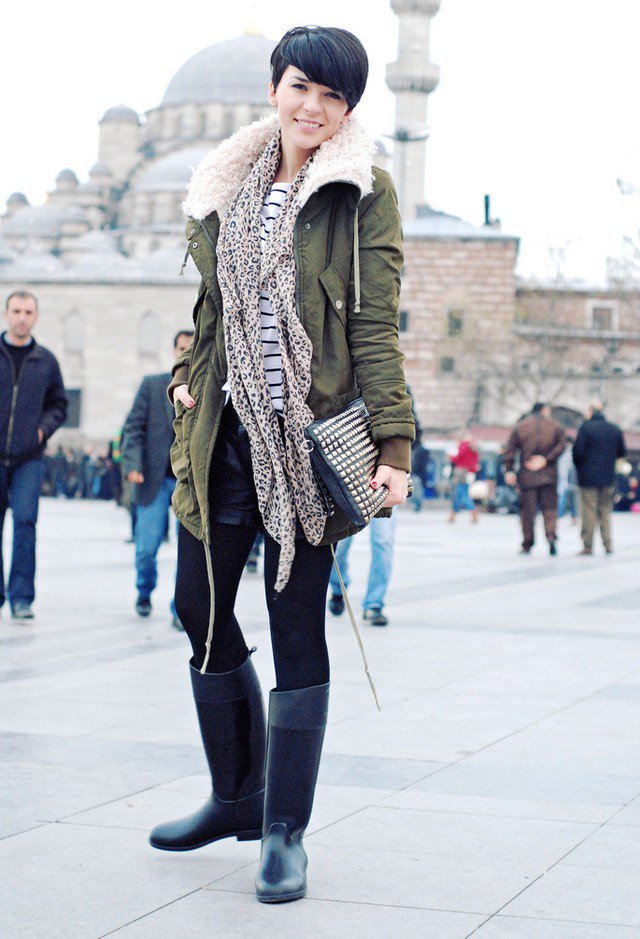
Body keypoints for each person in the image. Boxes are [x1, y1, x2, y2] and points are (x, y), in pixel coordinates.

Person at [148, 26, 414, 905]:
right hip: (222, 437)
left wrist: (396, 445)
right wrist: (186, 377)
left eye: (334, 95)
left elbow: (374, 325)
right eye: (302, 86)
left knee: (296, 628)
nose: (314, 106)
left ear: (349, 109)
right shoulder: (227, 182)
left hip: (305, 444)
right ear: (275, 87)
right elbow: (211, 310)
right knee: (198, 608)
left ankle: (283, 829)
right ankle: (237, 794)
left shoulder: (361, 190)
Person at [0, 290, 67, 620]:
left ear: (36, 317)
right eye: (16, 311)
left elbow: (59, 405)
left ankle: (22, 597)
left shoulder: (46, 361)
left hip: (29, 457)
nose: (22, 318)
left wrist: (41, 431)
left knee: (25, 523)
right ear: (6, 314)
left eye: (28, 312)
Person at [122, 330, 194, 625]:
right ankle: (144, 590)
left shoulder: (207, 388)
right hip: (153, 479)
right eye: (181, 348)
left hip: (187, 483)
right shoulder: (152, 385)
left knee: (188, 554)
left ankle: (181, 607)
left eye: (191, 348)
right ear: (174, 351)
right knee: (146, 546)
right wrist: (132, 464)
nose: (185, 353)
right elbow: (133, 427)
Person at [503, 402, 565, 555]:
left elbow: (510, 450)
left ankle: (527, 543)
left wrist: (509, 470)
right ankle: (551, 537)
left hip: (527, 476)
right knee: (550, 509)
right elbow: (562, 446)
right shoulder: (556, 426)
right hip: (549, 476)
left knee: (527, 512)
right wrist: (546, 459)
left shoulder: (521, 427)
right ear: (544, 410)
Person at [572, 398, 626, 555]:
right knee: (605, 511)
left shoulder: (586, 428)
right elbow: (621, 452)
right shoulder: (614, 429)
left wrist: (581, 467)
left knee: (589, 511)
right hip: (608, 476)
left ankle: (588, 545)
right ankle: (608, 544)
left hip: (588, 477)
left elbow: (577, 452)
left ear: (590, 412)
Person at [327, 514, 397, 626]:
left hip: (382, 502)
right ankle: (338, 589)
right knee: (340, 543)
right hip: (351, 501)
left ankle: (374, 604)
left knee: (383, 542)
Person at [448, 434, 480, 524]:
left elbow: (457, 458)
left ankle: (473, 512)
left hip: (461, 472)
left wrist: (450, 457)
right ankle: (453, 515)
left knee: (461, 493)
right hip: (469, 472)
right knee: (461, 493)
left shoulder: (464, 446)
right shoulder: (472, 447)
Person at [557, 445, 578, 523]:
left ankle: (571, 516)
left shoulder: (568, 454)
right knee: (568, 499)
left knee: (572, 499)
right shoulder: (563, 454)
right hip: (565, 481)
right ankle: (561, 515)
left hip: (570, 481)